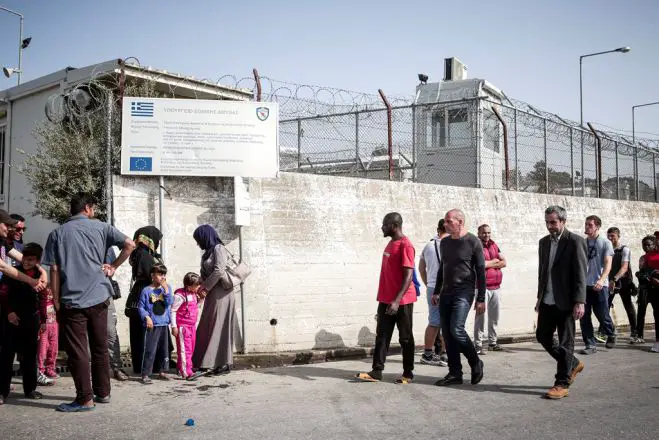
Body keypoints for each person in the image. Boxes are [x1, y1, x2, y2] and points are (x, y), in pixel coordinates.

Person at [42, 193, 135, 412]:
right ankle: (103, 393)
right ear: (88, 208)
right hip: (100, 297)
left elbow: (54, 269)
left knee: (78, 351)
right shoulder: (102, 227)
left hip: (72, 301)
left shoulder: (57, 234)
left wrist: (55, 300)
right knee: (100, 348)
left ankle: (85, 398)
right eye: (93, 208)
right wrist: (113, 266)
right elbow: (130, 244)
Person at [356, 212, 416, 384]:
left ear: (394, 226)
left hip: (402, 301)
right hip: (385, 299)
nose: (382, 227)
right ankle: (377, 371)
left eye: (384, 224)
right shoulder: (391, 243)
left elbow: (408, 276)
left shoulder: (406, 245)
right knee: (382, 335)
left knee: (405, 337)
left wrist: (397, 300)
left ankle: (408, 373)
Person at [535, 205, 586, 399]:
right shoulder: (544, 243)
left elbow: (581, 273)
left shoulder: (575, 242)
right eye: (547, 222)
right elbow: (543, 273)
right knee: (542, 336)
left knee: (566, 342)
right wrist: (539, 298)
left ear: (563, 221)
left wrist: (579, 301)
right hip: (547, 300)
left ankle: (562, 383)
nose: (550, 226)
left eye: (553, 222)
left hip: (566, 302)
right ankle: (572, 362)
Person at [432, 209, 485, 386]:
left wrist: (481, 298)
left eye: (449, 221)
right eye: (445, 222)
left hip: (464, 292)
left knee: (457, 329)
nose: (445, 224)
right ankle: (455, 373)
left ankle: (475, 362)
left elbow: (481, 272)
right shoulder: (444, 243)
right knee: (447, 334)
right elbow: (442, 268)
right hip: (446, 292)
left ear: (460, 222)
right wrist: (436, 291)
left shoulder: (473, 241)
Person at [0, 243, 48, 405]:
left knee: (29, 356)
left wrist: (43, 321)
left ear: (37, 260)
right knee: (6, 356)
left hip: (31, 320)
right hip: (12, 320)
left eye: (30, 260)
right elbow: (3, 295)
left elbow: (42, 299)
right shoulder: (13, 273)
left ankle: (30, 389)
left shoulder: (39, 276)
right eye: (25, 259)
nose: (26, 262)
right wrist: (9, 313)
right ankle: (2, 392)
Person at [189, 225, 237, 380]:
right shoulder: (207, 253)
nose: (198, 243)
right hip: (211, 292)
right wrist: (196, 286)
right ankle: (204, 360)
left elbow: (219, 270)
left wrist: (205, 287)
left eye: (199, 239)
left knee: (219, 326)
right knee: (207, 325)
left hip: (222, 292)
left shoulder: (219, 249)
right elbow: (206, 273)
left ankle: (221, 363)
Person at [125, 226, 164, 374]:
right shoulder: (145, 256)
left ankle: (143, 364)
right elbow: (151, 276)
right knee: (146, 332)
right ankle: (148, 365)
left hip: (140, 293)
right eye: (157, 239)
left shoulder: (140, 253)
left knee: (140, 333)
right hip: (146, 295)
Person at [579, 215, 616, 355]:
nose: (587, 227)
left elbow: (608, 264)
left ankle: (611, 333)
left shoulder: (605, 242)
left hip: (600, 285)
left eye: (590, 225)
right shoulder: (583, 242)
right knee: (584, 316)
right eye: (586, 224)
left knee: (602, 314)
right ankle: (590, 345)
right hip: (584, 286)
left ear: (597, 227)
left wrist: (601, 280)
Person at [419, 219, 449, 366]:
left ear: (438, 230)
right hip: (449, 287)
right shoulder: (452, 244)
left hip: (432, 287)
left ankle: (427, 353)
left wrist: (428, 284)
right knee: (448, 321)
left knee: (434, 321)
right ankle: (444, 354)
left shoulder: (428, 246)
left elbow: (421, 268)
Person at [474, 224, 507, 354]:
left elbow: (504, 262)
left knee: (494, 317)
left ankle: (493, 343)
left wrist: (489, 263)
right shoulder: (476, 246)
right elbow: (479, 265)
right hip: (482, 288)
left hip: (496, 287)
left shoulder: (494, 245)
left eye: (488, 232)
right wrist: (495, 262)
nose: (486, 235)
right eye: (483, 233)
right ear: (478, 233)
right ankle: (478, 345)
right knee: (480, 317)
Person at [138, 264, 173, 384]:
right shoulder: (146, 290)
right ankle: (146, 373)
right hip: (152, 324)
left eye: (164, 274)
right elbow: (141, 307)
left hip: (163, 323)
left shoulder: (166, 288)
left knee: (164, 349)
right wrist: (147, 318)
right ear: (153, 275)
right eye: (160, 274)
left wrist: (166, 290)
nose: (162, 277)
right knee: (150, 350)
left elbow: (169, 303)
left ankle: (163, 371)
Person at [605, 227, 640, 344]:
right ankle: (607, 331)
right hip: (610, 282)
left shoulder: (624, 250)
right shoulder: (607, 250)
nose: (610, 239)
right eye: (608, 236)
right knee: (604, 307)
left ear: (618, 236)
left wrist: (615, 279)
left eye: (612, 236)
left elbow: (624, 267)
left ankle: (635, 332)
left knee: (628, 306)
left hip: (623, 282)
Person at [171, 272, 202, 379]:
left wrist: (201, 299)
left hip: (191, 326)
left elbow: (195, 307)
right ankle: (186, 372)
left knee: (191, 349)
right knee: (185, 350)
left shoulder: (193, 294)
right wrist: (174, 326)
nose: (198, 287)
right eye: (196, 285)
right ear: (189, 286)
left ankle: (181, 368)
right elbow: (173, 311)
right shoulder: (179, 296)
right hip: (183, 327)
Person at [105, 246, 128, 381]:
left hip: (105, 293)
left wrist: (108, 269)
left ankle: (116, 367)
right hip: (83, 294)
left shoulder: (107, 247)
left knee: (110, 332)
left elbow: (111, 271)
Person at [636, 235, 659, 352]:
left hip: (656, 288)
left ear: (654, 245)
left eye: (649, 245)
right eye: (644, 245)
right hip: (646, 289)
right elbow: (641, 273)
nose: (646, 247)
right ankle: (639, 335)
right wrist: (642, 275)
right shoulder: (643, 258)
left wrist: (654, 274)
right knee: (641, 312)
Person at [36, 282, 58, 386]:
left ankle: (50, 368)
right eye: (46, 291)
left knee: (53, 349)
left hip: (54, 326)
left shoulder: (54, 302)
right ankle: (40, 370)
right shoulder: (41, 303)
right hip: (44, 328)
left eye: (51, 291)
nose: (49, 293)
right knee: (42, 350)